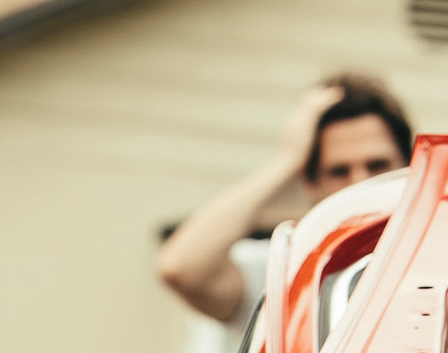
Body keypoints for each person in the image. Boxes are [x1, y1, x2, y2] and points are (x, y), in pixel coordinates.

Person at [157, 74, 414, 329]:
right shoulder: (283, 273)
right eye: (338, 171)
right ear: (310, 183)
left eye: (377, 165)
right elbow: (181, 267)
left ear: (410, 168)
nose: (359, 183)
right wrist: (288, 159)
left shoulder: (438, 260)